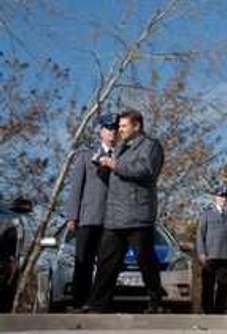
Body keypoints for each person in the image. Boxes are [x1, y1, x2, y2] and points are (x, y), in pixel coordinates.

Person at [84, 109, 166, 313]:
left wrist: (114, 164)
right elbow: (114, 175)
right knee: (106, 262)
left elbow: (146, 171)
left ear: (136, 126)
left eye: (123, 126)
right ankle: (97, 305)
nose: (119, 130)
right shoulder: (120, 147)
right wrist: (102, 166)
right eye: (118, 127)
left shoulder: (151, 146)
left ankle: (155, 301)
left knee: (145, 260)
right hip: (114, 216)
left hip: (138, 215)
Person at [64, 114, 117, 309]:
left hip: (113, 220)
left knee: (107, 264)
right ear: (101, 131)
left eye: (115, 129)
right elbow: (76, 187)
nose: (113, 132)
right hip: (88, 218)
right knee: (83, 261)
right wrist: (72, 216)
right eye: (109, 129)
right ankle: (79, 301)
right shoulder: (86, 155)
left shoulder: (121, 156)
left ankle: (100, 303)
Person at [196, 184, 227, 314]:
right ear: (215, 197)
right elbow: (200, 235)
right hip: (209, 256)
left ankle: (219, 312)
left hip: (226, 256)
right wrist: (201, 253)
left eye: (225, 196)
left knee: (223, 286)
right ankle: (207, 311)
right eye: (221, 196)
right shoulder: (206, 214)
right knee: (208, 286)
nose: (223, 198)